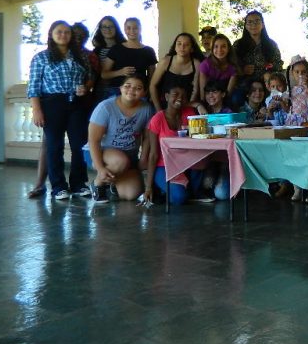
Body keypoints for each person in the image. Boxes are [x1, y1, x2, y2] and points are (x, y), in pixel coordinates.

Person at [27, 20, 91, 200]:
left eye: (67, 32)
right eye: (59, 32)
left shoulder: (80, 56)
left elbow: (89, 77)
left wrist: (85, 88)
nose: (63, 35)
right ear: (51, 34)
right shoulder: (42, 57)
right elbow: (33, 86)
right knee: (55, 146)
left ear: (71, 36)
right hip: (52, 104)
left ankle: (78, 184)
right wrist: (37, 110)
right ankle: (58, 187)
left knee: (79, 145)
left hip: (76, 104)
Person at [88, 73, 155, 203]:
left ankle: (113, 183)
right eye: (127, 86)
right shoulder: (105, 107)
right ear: (120, 88)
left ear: (144, 92)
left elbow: (147, 137)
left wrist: (143, 158)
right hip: (103, 153)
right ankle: (97, 184)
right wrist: (100, 168)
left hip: (129, 156)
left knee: (131, 194)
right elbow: (93, 140)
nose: (131, 90)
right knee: (120, 162)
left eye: (138, 88)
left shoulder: (146, 109)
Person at [145, 84, 207, 205]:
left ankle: (175, 190)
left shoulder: (188, 114)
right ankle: (163, 190)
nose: (180, 98)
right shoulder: (157, 119)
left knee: (203, 160)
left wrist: (197, 105)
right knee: (179, 198)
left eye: (183, 96)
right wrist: (148, 187)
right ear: (167, 97)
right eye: (175, 95)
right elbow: (153, 154)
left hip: (186, 163)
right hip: (164, 165)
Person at [102, 17, 158, 97]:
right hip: (116, 92)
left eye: (135, 28)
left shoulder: (148, 51)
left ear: (140, 29)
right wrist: (120, 72)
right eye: (128, 28)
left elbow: (152, 77)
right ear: (124, 30)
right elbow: (104, 74)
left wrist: (148, 92)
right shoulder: (116, 49)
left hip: (139, 93)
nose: (132, 31)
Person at [232, 11, 283, 97]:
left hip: (267, 84)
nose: (253, 25)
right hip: (244, 84)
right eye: (250, 22)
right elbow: (231, 64)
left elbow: (279, 64)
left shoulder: (272, 44)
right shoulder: (238, 45)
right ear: (246, 26)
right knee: (235, 99)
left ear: (262, 25)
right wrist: (242, 70)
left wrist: (268, 70)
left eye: (257, 21)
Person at [149, 33, 203, 112]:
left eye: (186, 44)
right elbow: (153, 85)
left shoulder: (196, 64)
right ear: (175, 47)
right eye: (179, 44)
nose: (182, 47)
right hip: (164, 105)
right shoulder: (165, 62)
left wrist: (188, 108)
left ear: (192, 49)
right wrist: (158, 110)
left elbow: (195, 90)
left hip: (186, 104)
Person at [91, 16, 125, 101]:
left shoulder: (124, 48)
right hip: (99, 90)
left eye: (111, 26)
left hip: (119, 90)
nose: (108, 29)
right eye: (104, 26)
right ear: (100, 29)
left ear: (116, 28)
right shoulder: (96, 50)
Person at [198, 33, 238, 102]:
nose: (219, 49)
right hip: (208, 98)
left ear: (228, 49)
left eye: (223, 46)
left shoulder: (232, 67)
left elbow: (228, 93)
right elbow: (203, 93)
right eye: (216, 46)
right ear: (212, 49)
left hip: (224, 99)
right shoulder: (205, 65)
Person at [284, 56, 308, 126]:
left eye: (303, 72)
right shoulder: (291, 90)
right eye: (297, 72)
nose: (300, 74)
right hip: (293, 120)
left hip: (306, 120)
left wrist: (307, 88)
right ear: (292, 73)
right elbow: (287, 108)